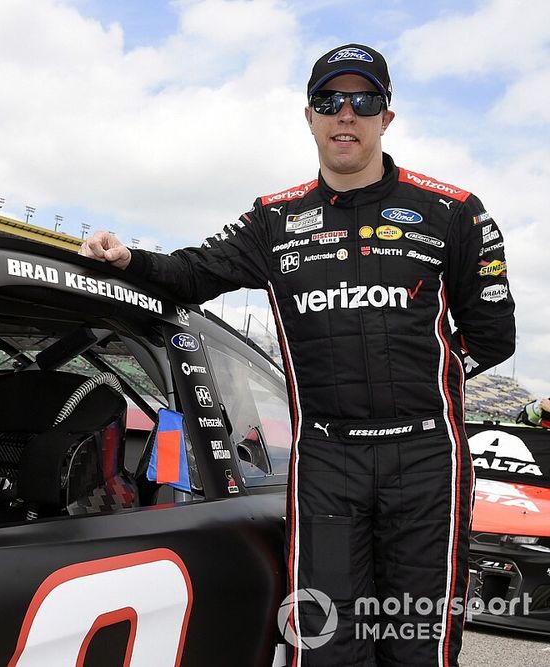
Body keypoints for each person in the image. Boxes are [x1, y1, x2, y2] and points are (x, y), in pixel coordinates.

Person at [81, 43, 515, 666]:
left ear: (386, 117)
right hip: (328, 462)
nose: (346, 114)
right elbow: (194, 272)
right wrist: (130, 260)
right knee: (328, 643)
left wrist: (425, 378)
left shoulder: (454, 213)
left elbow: (495, 336)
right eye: (329, 101)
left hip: (424, 462)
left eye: (363, 101)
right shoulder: (274, 220)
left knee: (415, 645)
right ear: (308, 116)